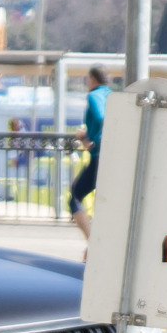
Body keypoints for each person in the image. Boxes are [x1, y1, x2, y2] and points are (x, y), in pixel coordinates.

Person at [70, 66, 111, 241]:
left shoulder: (93, 96)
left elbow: (101, 117)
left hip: (98, 156)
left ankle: (92, 240)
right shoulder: (111, 95)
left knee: (75, 197)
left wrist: (88, 140)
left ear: (93, 79)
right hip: (113, 155)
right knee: (104, 201)